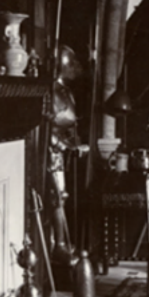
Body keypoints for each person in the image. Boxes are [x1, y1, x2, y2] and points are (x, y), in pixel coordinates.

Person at [47, 45, 88, 265]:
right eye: (71, 64)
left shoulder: (66, 91)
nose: (76, 68)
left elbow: (71, 124)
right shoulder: (50, 91)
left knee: (63, 196)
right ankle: (59, 246)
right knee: (57, 197)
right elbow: (45, 128)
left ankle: (63, 244)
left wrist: (75, 143)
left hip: (63, 152)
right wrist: (66, 146)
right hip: (50, 152)